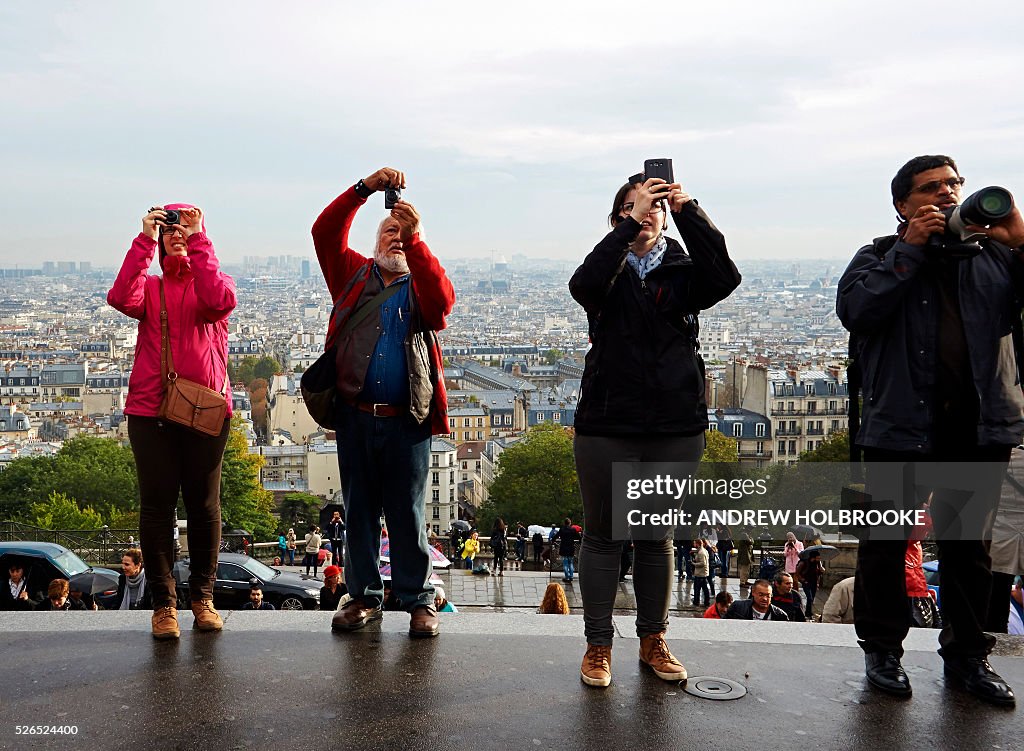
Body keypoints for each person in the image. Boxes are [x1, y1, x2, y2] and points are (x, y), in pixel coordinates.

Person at [837, 154, 1024, 706]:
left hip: (975, 425)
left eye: (954, 185)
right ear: (903, 204)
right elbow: (858, 310)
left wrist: (1019, 239)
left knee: (969, 547)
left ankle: (968, 656)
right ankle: (883, 652)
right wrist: (910, 251)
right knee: (885, 546)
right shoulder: (878, 256)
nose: (947, 194)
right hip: (901, 427)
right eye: (931, 187)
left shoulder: (995, 257)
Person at [569, 172, 740, 688]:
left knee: (653, 535)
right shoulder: (609, 270)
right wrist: (628, 226)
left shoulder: (685, 271)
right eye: (630, 206)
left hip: (673, 421)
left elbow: (725, 277)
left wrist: (688, 209)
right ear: (618, 217)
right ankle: (598, 645)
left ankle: (652, 639)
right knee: (602, 533)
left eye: (652, 206)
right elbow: (583, 286)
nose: (643, 213)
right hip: (607, 419)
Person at [315, 167, 454, 640]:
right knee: (358, 512)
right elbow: (325, 232)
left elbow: (441, 305)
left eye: (404, 232)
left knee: (407, 513)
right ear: (374, 241)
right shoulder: (352, 274)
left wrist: (416, 242)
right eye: (388, 231)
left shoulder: (420, 284)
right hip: (356, 415)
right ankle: (364, 596)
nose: (396, 238)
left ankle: (417, 599)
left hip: (406, 418)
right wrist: (364, 189)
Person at [107, 203, 235, 640]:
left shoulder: (210, 284)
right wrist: (144, 238)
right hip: (151, 409)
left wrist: (198, 239)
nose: (178, 233)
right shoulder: (152, 288)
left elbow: (221, 301)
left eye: (186, 228)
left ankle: (202, 597)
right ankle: (164, 605)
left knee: (203, 506)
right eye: (171, 229)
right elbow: (121, 296)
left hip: (206, 409)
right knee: (157, 507)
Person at [725, 580, 789, 621]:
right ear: (753, 592)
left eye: (768, 595)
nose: (765, 599)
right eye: (761, 595)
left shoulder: (780, 615)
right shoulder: (737, 607)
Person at [796, 550, 825, 620]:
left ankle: (809, 612)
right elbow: (797, 573)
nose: (819, 559)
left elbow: (822, 571)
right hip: (806, 582)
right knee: (809, 598)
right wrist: (803, 580)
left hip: (814, 583)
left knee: (812, 599)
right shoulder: (803, 563)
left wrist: (821, 567)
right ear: (813, 557)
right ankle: (807, 613)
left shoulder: (817, 563)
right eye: (818, 558)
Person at [551, 518, 579, 583]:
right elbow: (578, 537)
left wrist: (553, 541)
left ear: (564, 523)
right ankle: (571, 576)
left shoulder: (562, 529)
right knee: (571, 563)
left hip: (564, 548)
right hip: (571, 548)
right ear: (570, 523)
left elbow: (556, 536)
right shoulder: (573, 530)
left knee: (565, 563)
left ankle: (567, 577)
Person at [691, 539, 711, 608]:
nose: (694, 545)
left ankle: (696, 602)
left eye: (694, 543)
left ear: (698, 544)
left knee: (697, 588)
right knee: (705, 589)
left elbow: (703, 563)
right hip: (703, 573)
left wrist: (693, 564)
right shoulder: (703, 551)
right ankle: (706, 602)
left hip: (700, 574)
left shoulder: (701, 552)